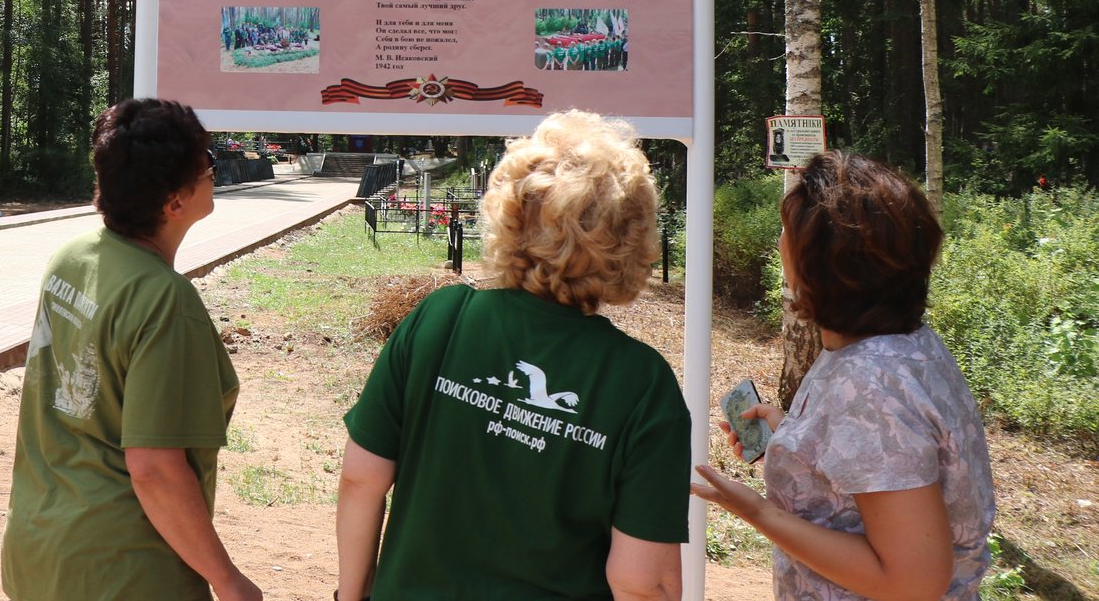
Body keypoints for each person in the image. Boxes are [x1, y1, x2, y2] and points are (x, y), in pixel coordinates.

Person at [336, 109, 690, 601]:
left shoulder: (441, 318)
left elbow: (361, 478)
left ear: (510, 214)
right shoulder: (643, 383)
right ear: (631, 240)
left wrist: (350, 595)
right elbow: (643, 583)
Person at [692, 152, 996, 600]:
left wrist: (756, 511)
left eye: (787, 231)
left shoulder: (870, 386)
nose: (779, 241)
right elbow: (879, 463)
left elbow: (912, 583)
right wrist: (799, 439)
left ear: (823, 263)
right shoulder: (901, 345)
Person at [2, 98, 261, 601]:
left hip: (38, 547)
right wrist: (228, 581)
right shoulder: (165, 301)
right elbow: (155, 468)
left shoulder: (71, 257)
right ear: (172, 202)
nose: (213, 173)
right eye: (206, 166)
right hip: (121, 571)